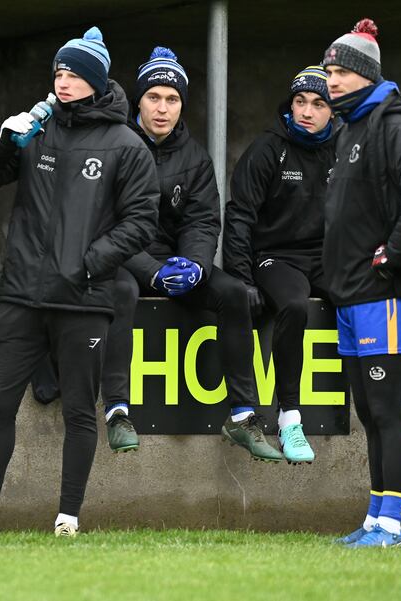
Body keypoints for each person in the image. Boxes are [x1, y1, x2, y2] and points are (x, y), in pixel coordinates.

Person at [0, 27, 159, 538]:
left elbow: (141, 222)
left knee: (78, 412)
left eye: (72, 74)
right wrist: (2, 142)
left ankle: (68, 519)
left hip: (85, 299)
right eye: (58, 73)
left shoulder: (126, 145)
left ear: (94, 81)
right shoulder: (35, 130)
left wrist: (90, 264)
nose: (62, 82)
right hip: (22, 294)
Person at [99, 46, 283, 462]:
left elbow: (202, 222)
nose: (163, 109)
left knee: (233, 293)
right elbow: (107, 230)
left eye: (173, 99)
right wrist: (153, 272)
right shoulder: (113, 147)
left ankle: (242, 416)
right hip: (122, 260)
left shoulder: (195, 157)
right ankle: (117, 411)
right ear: (138, 101)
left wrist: (196, 266)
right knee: (122, 293)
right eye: (153, 97)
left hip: (175, 262)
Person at [321, 19, 401, 547]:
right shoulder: (350, 127)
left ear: (364, 75)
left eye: (339, 72)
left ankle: (391, 527)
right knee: (368, 413)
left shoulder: (396, 122)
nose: (330, 81)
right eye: (328, 71)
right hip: (351, 295)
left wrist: (390, 256)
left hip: (386, 296)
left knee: (386, 410)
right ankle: (375, 520)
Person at [224, 65, 337, 464]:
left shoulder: (346, 147)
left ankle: (397, 417)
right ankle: (290, 417)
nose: (307, 111)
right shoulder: (269, 148)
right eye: (300, 102)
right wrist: (242, 281)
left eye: (318, 103)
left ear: (333, 110)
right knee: (292, 304)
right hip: (276, 256)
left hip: (327, 257)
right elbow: (238, 216)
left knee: (369, 300)